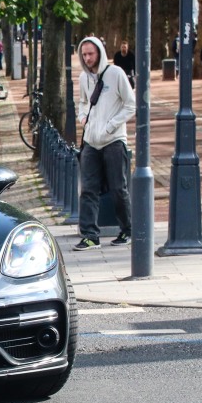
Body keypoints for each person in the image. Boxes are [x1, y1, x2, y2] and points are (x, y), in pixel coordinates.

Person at [73, 36, 135, 252]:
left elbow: (130, 105)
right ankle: (90, 235)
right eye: (84, 54)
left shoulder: (116, 74)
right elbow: (82, 101)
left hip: (114, 140)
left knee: (118, 188)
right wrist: (83, 118)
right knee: (88, 189)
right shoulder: (83, 78)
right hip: (91, 141)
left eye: (91, 53)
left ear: (99, 52)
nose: (87, 58)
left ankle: (127, 230)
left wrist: (111, 126)